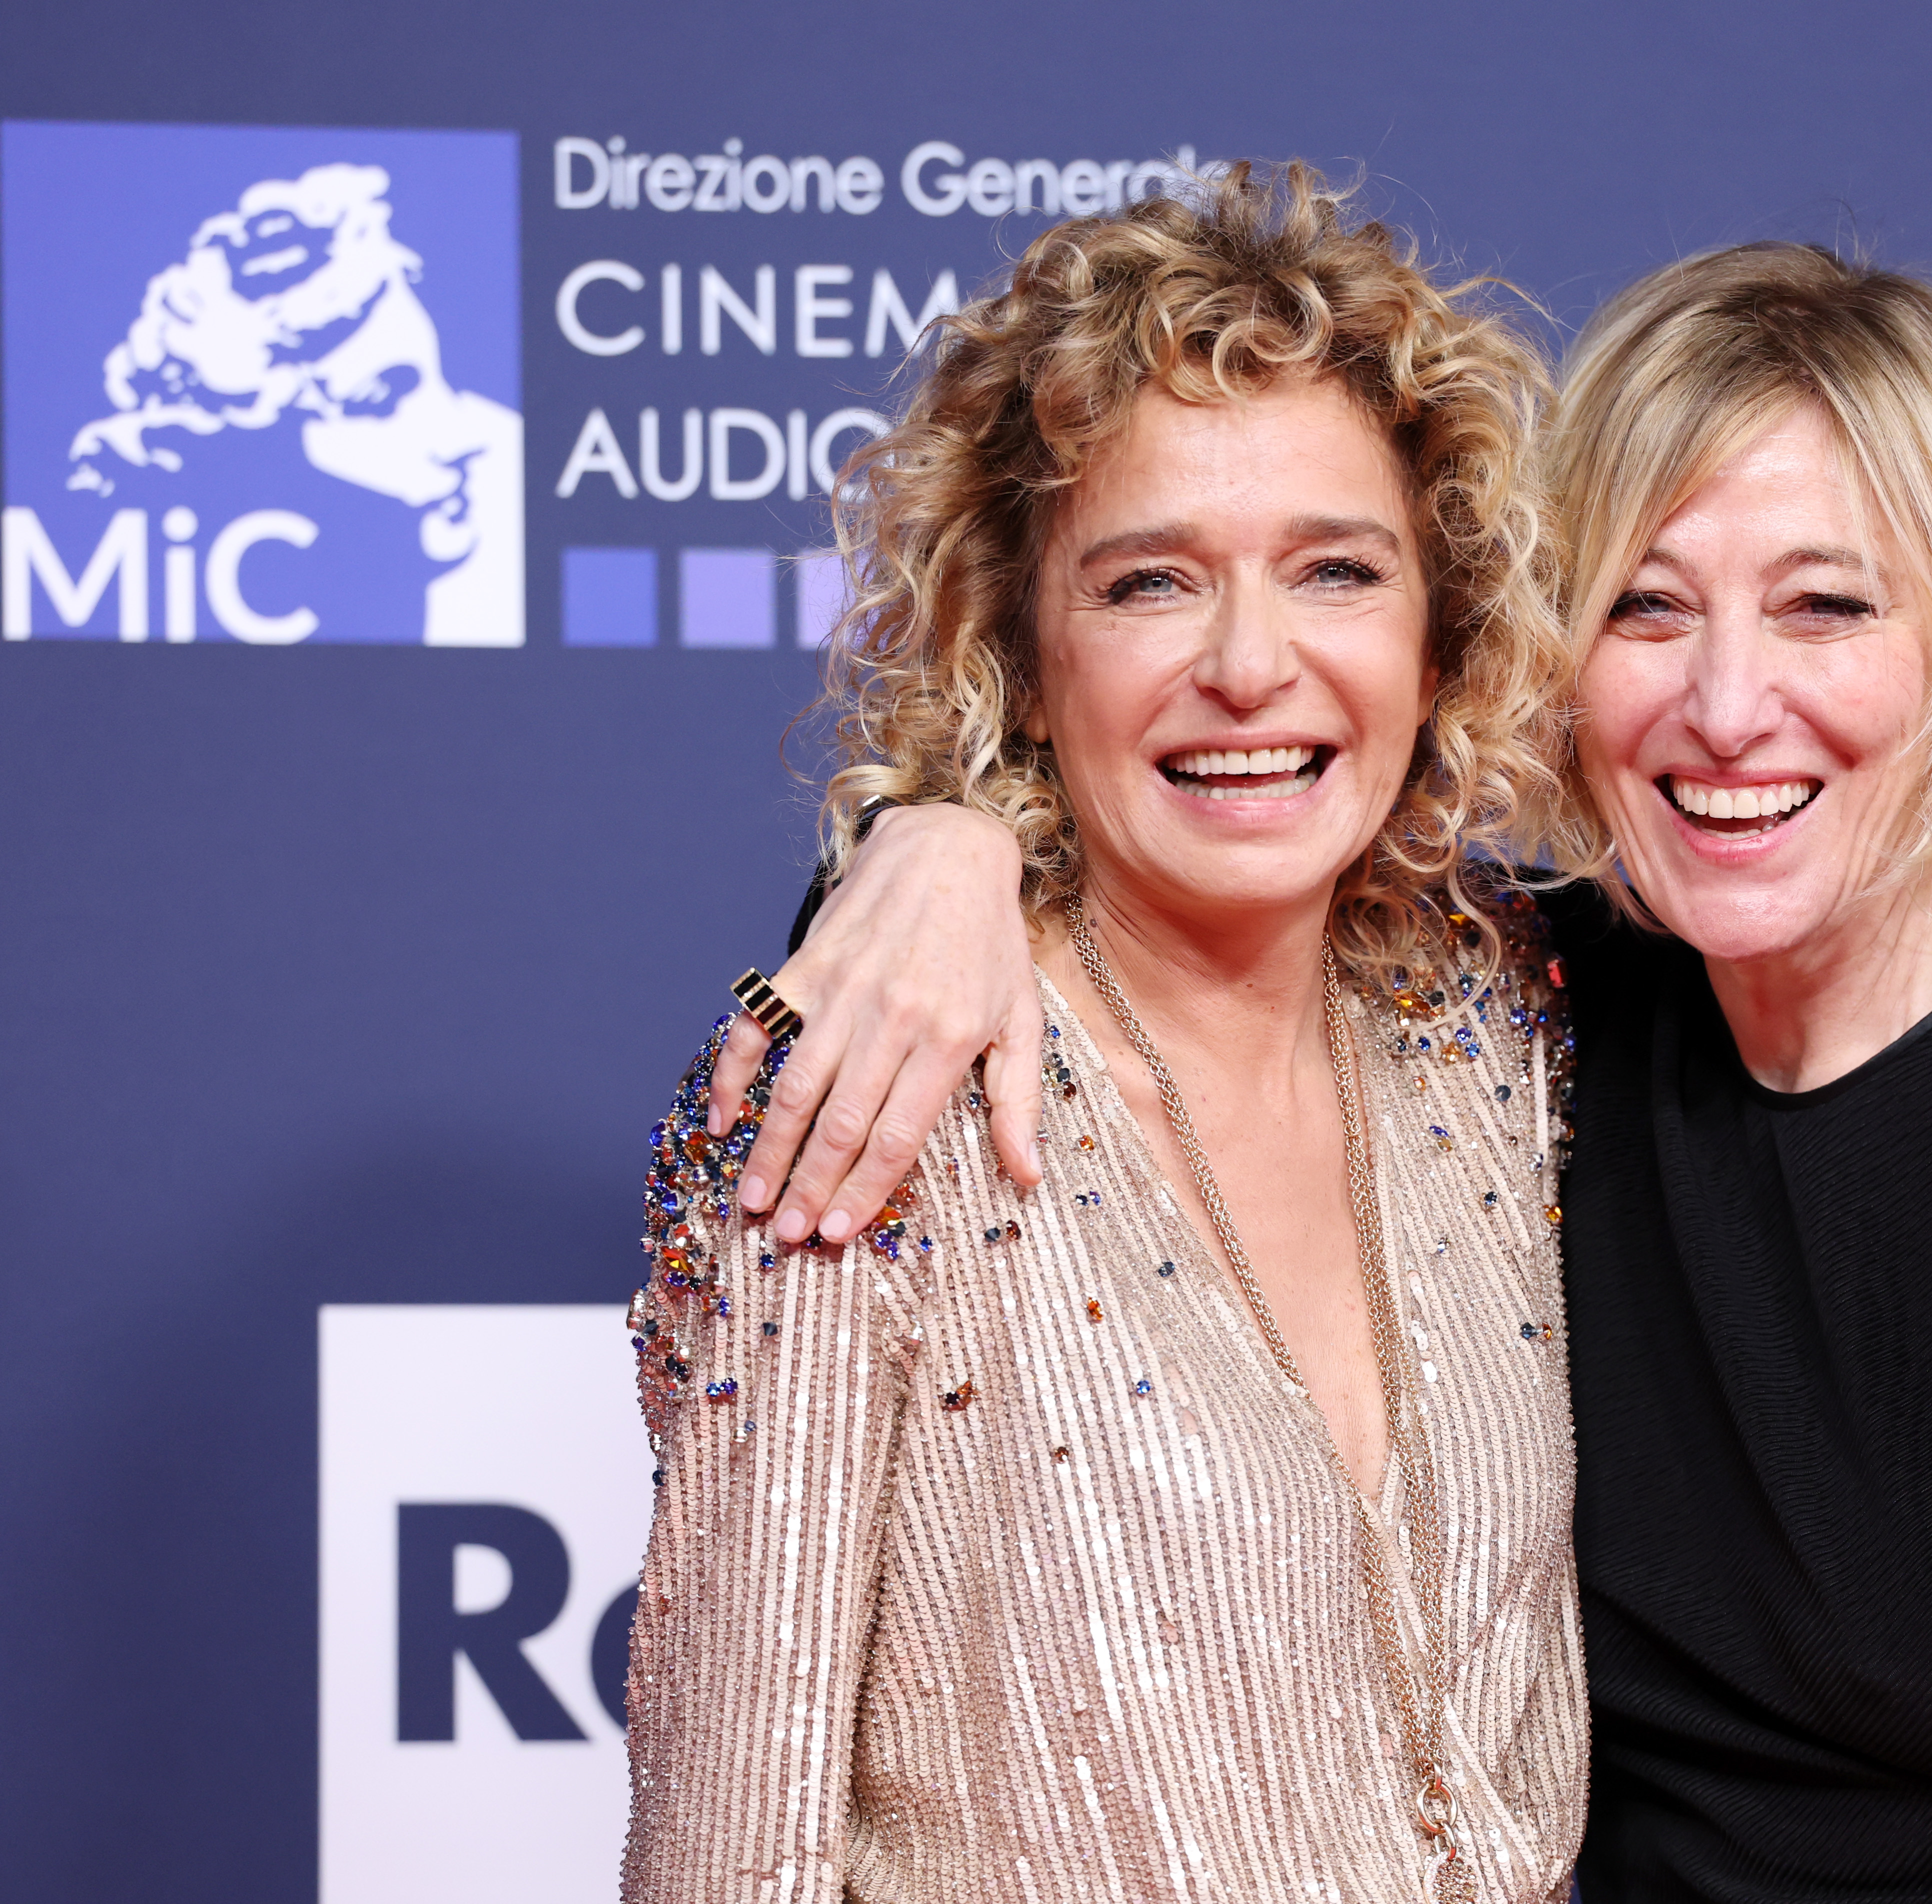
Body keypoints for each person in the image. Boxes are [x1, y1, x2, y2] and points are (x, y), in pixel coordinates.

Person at [712, 242, 1932, 1900]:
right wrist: (933, 842)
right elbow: (1044, 922)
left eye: (1825, 606)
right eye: (1648, 607)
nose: (1729, 705)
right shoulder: (1536, 1017)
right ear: (1543, 647)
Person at [624, 164, 1586, 1904]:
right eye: (1151, 583)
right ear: (1018, 643)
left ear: (1439, 638)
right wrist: (929, 833)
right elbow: (728, 1857)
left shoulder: (1491, 1026)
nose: (1250, 664)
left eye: (1337, 570)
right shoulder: (866, 1091)